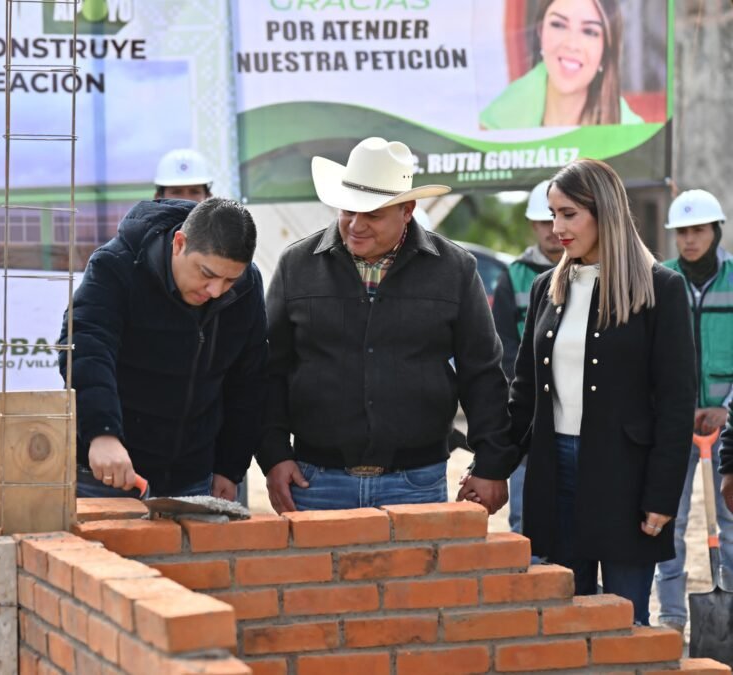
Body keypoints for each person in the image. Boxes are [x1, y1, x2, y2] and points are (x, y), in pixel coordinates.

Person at [479, 159, 695, 625]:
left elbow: (676, 403)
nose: (557, 227)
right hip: (553, 472)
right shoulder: (544, 289)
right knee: (564, 619)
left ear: (606, 212)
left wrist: (662, 496)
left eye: (568, 214)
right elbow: (524, 396)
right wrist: (489, 467)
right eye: (553, 214)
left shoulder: (662, 289)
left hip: (627, 478)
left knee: (625, 620)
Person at [258, 136, 517, 514]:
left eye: (373, 215)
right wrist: (274, 456)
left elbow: (482, 374)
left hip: (417, 480)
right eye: (348, 211)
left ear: (407, 209)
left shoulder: (455, 270)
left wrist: (492, 465)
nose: (356, 225)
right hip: (314, 479)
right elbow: (269, 371)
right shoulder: (296, 265)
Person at [58, 197, 266, 498]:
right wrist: (102, 433)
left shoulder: (247, 286)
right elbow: (85, 347)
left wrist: (229, 466)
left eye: (229, 280)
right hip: (107, 474)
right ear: (179, 243)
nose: (216, 291)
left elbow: (249, 378)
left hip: (195, 479)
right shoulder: (117, 265)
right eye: (206, 274)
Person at [654, 189, 733, 633]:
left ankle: (730, 610)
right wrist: (678, 409)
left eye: (697, 230)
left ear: (715, 230)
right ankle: (671, 614)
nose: (689, 239)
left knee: (731, 516)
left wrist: (726, 409)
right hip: (675, 422)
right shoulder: (659, 281)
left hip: (729, 422)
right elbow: (649, 357)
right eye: (682, 231)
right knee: (669, 517)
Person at [492, 180, 565, 533]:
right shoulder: (515, 275)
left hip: (576, 407)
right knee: (524, 509)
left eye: (556, 219)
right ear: (532, 225)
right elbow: (504, 343)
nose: (552, 231)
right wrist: (526, 396)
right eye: (542, 222)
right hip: (530, 407)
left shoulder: (590, 270)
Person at [480, 0, 643, 129]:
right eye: (558, 25)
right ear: (540, 32)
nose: (571, 44)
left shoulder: (632, 133)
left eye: (589, 32)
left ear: (605, 52)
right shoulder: (498, 123)